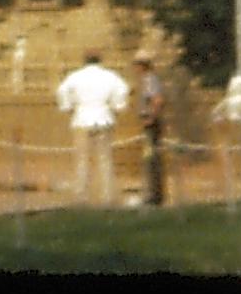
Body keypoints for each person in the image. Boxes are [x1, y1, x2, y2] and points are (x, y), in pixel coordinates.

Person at [55, 49, 130, 204]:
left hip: (81, 119)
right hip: (104, 118)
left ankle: (81, 196)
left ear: (84, 60)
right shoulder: (110, 76)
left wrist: (68, 107)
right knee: (105, 159)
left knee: (81, 160)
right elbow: (123, 89)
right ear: (100, 60)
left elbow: (61, 90)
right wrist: (117, 107)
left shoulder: (75, 76)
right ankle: (107, 196)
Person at [136, 62, 170, 205]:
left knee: (152, 158)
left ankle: (155, 195)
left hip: (151, 123)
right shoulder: (148, 80)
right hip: (150, 122)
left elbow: (157, 100)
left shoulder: (149, 80)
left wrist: (151, 118)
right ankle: (153, 192)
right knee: (150, 157)